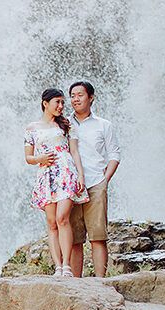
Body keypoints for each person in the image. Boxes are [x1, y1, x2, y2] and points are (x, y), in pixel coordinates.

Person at [24, 88, 88, 277]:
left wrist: (81, 176)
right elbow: (28, 157)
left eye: (62, 103)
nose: (61, 106)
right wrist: (40, 158)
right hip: (46, 175)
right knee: (52, 223)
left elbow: (75, 152)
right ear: (45, 103)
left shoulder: (67, 125)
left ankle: (67, 265)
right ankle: (58, 266)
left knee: (62, 218)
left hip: (66, 172)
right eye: (57, 102)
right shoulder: (31, 128)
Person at [67, 81, 120, 278]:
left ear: (91, 97)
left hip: (96, 183)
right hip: (70, 187)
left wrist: (105, 180)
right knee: (74, 238)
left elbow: (114, 154)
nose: (75, 99)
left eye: (80, 95)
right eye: (72, 95)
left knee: (98, 237)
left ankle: (100, 283)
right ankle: (77, 283)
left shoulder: (103, 125)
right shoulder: (64, 123)